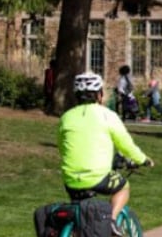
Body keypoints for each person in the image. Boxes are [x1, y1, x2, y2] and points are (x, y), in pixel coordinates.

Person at [59, 72, 152, 225]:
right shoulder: (107, 115)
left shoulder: (66, 117)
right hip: (99, 177)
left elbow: (63, 147)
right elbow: (126, 145)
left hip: (71, 179)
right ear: (100, 95)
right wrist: (143, 159)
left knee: (80, 215)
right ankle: (111, 222)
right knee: (123, 187)